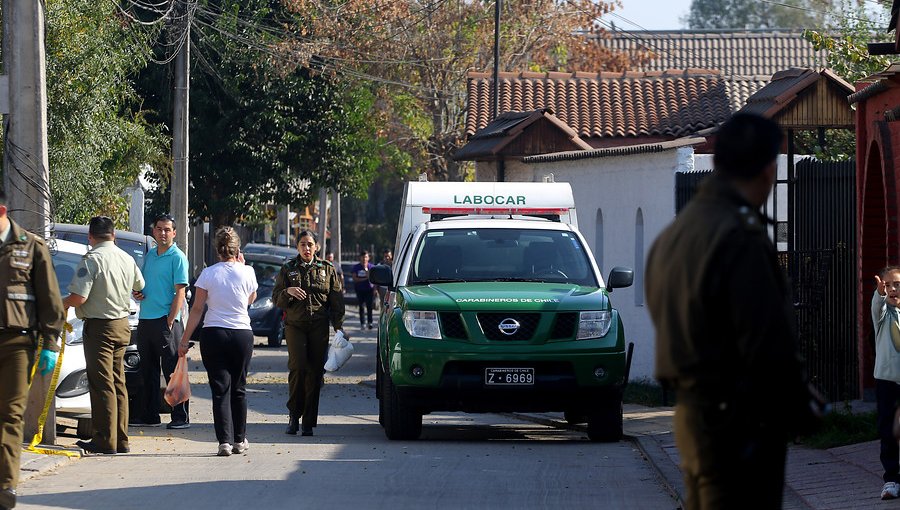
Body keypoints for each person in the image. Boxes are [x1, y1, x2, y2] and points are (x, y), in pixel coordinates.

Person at [645, 113, 819, 509]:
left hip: (694, 412)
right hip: (741, 421)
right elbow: (765, 340)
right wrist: (799, 403)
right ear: (767, 169)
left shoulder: (680, 231)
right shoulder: (737, 235)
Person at [0, 189, 66, 510]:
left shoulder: (31, 246)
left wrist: (50, 344)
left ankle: (5, 485)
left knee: (10, 416)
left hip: (16, 345)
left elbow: (51, 302)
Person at [63, 216, 144, 455]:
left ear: (91, 237)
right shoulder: (127, 258)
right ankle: (121, 439)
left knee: (101, 384)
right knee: (118, 382)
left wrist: (61, 303)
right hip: (122, 325)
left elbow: (79, 298)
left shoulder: (92, 259)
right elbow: (140, 285)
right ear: (114, 235)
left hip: (100, 328)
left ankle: (104, 440)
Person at [178, 227, 257, 456]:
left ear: (217, 250)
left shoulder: (208, 274)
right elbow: (249, 300)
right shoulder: (248, 271)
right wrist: (242, 266)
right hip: (242, 333)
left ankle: (224, 440)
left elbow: (197, 309)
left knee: (220, 389)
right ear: (237, 249)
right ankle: (239, 440)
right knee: (239, 388)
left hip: (213, 333)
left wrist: (184, 340)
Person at [272, 230, 345, 436]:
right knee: (298, 368)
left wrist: (338, 326)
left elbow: (336, 301)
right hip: (295, 325)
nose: (306, 248)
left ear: (317, 247)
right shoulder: (288, 269)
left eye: (310, 244)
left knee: (314, 372)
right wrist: (288, 292)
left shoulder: (327, 269)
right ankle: (294, 415)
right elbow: (276, 297)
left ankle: (308, 421)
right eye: (303, 244)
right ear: (297, 247)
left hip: (318, 326)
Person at [131, 213, 190, 429]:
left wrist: (170, 320)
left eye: (167, 230)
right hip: (146, 319)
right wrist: (139, 293)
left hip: (167, 322)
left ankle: (180, 417)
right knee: (148, 371)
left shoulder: (177, 257)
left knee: (173, 371)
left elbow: (180, 293)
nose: (163, 233)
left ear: (174, 233)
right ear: (153, 231)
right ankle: (150, 415)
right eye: (159, 229)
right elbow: (147, 285)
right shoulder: (151, 255)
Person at [871, 266, 900, 499]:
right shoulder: (882, 315)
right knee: (888, 430)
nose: (892, 289)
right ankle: (891, 479)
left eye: (897, 284)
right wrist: (879, 295)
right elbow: (877, 307)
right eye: (888, 285)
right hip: (887, 382)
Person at [351, 250, 374, 329]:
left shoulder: (371, 267)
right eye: (363, 257)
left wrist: (367, 271)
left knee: (369, 306)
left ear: (368, 258)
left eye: (366, 257)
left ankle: (370, 322)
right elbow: (355, 278)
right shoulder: (356, 267)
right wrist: (365, 278)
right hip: (360, 289)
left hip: (369, 289)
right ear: (360, 258)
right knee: (361, 306)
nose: (364, 259)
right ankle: (362, 323)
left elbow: (372, 278)